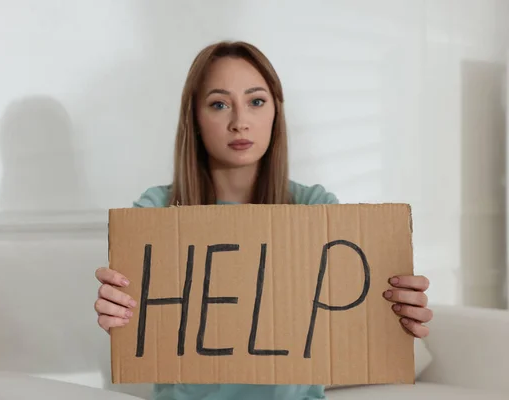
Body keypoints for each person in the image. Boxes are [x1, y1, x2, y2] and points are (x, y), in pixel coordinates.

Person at [94, 40, 433, 400]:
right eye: (219, 104)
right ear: (194, 117)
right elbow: (136, 322)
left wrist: (398, 310)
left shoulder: (316, 208)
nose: (240, 122)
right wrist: (116, 310)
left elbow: (354, 318)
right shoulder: (156, 211)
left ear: (275, 113)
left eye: (256, 101)